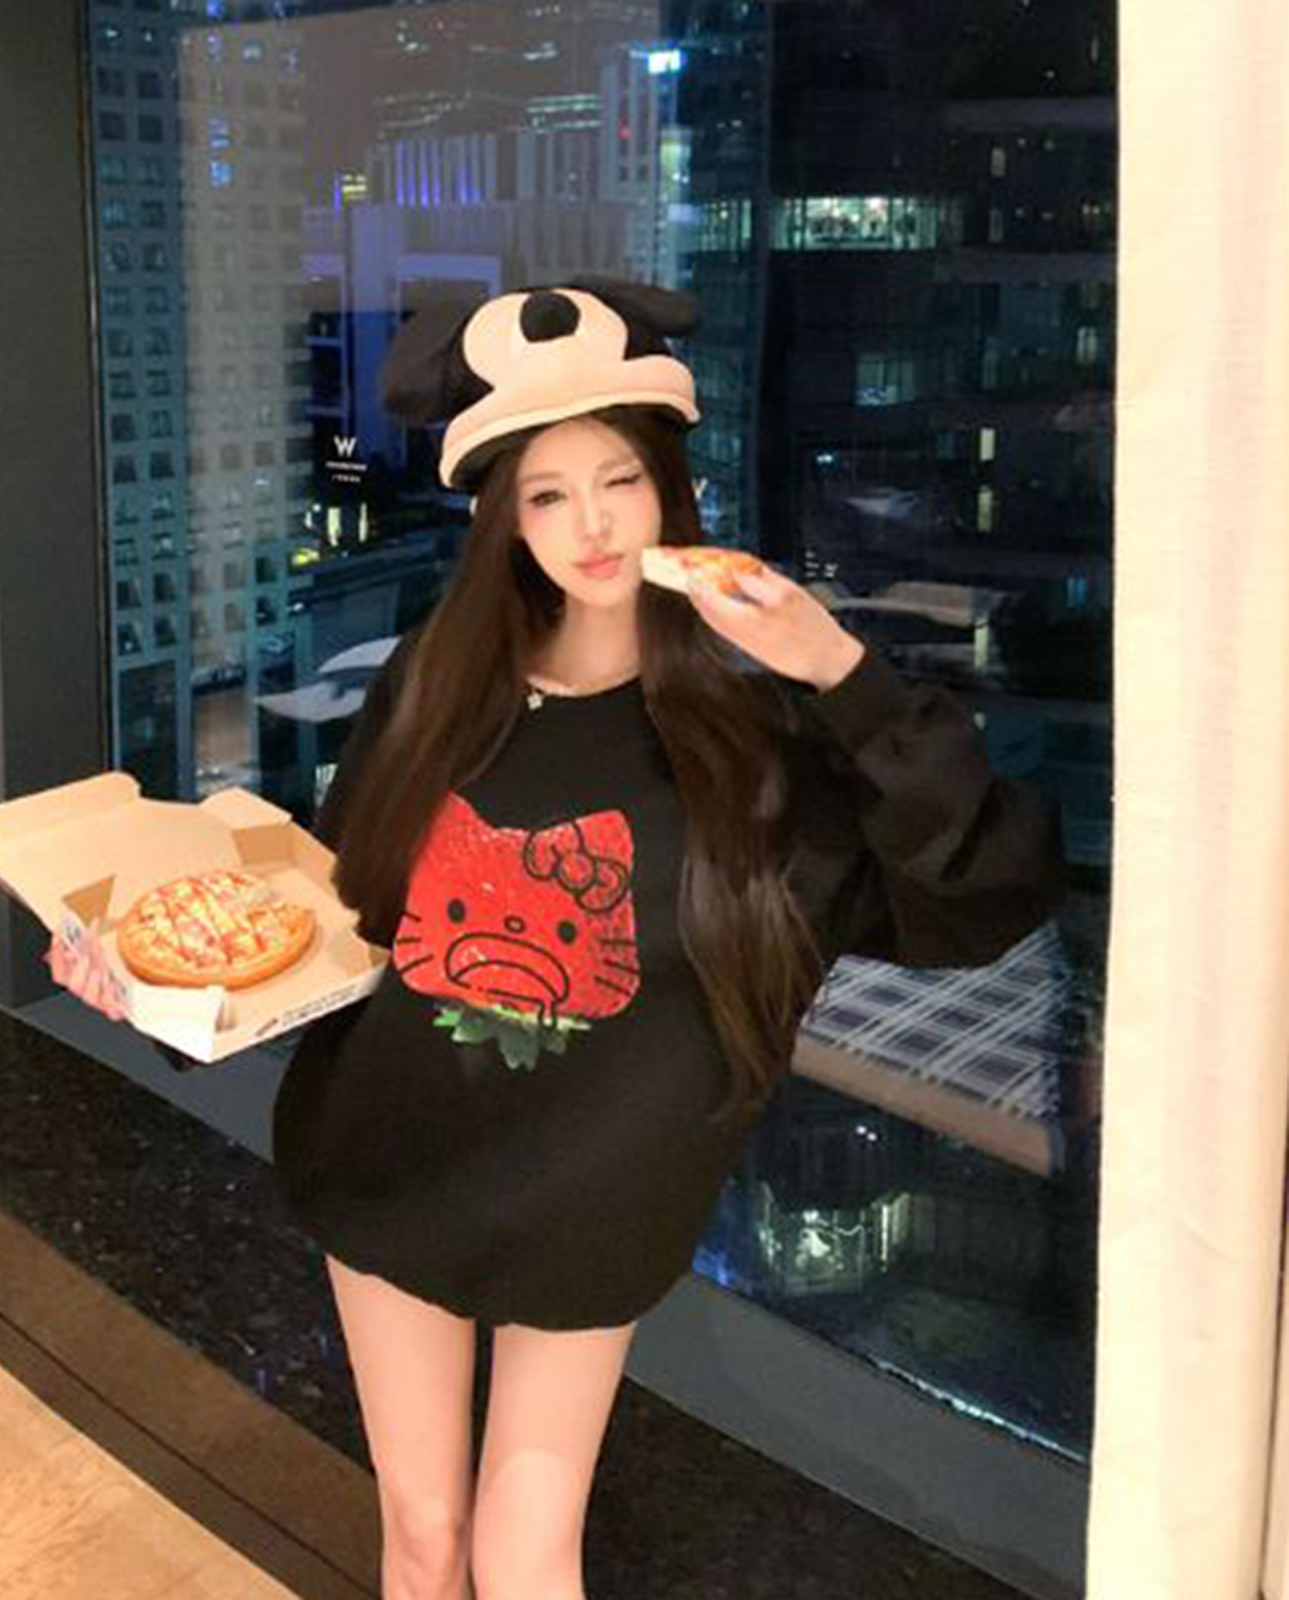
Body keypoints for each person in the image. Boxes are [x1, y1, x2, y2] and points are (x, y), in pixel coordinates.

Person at [52, 275, 1067, 1600]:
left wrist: (840, 671)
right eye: (545, 494)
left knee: (529, 1555)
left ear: (666, 492)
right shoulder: (437, 686)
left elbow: (985, 892)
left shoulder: (750, 745)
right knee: (423, 1537)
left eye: (618, 481)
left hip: (590, 1208)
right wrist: (152, 990)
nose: (589, 524)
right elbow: (338, 925)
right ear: (504, 520)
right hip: (390, 1155)